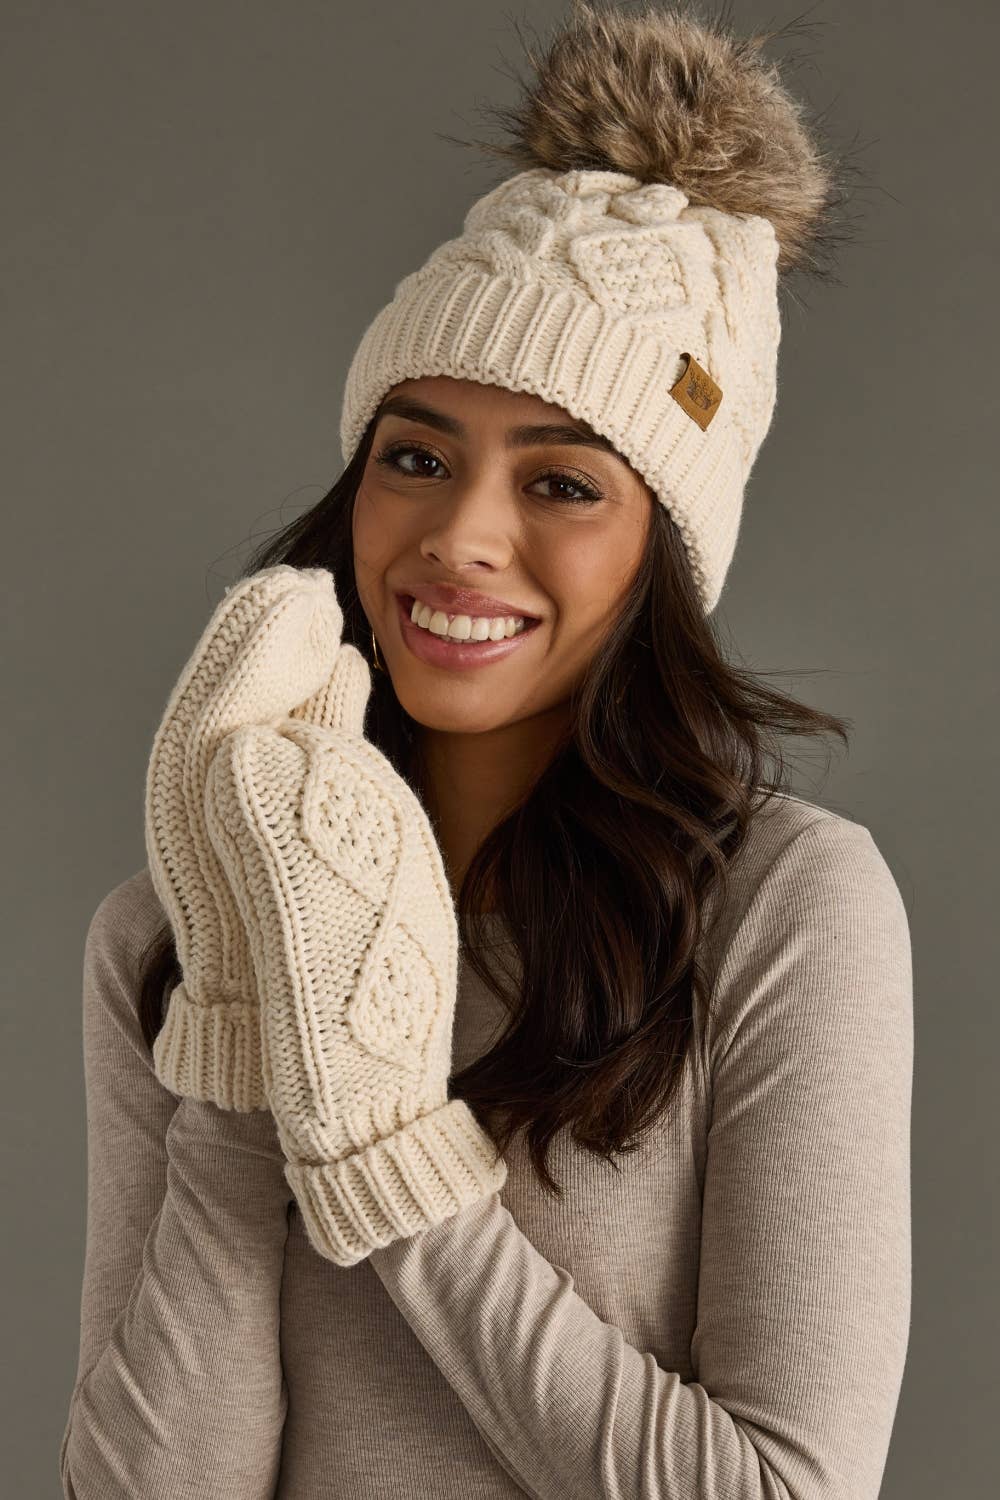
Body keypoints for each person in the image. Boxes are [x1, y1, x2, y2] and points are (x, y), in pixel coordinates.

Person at [59, 4, 913, 1497]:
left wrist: (391, 1150)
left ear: (663, 550)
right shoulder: (169, 927)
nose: (460, 538)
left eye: (565, 482)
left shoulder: (784, 909)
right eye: (415, 455)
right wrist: (252, 997)